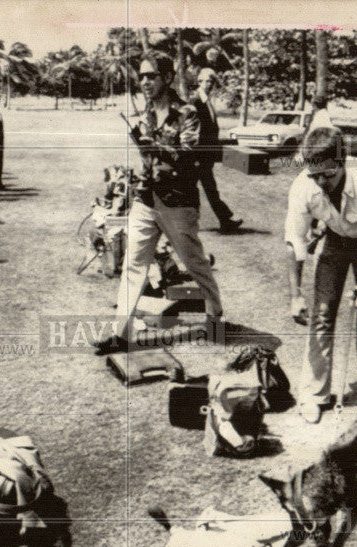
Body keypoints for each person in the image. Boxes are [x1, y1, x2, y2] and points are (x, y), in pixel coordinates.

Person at [93, 53, 221, 356]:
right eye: (142, 76)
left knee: (194, 264)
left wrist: (154, 146)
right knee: (133, 265)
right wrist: (143, 155)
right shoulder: (148, 112)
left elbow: (189, 154)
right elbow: (150, 158)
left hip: (178, 202)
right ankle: (119, 334)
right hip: (147, 198)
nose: (145, 82)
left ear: (167, 78)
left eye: (151, 76)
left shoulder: (187, 112)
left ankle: (215, 317)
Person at [287, 126, 357, 423]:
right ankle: (314, 392)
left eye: (329, 175)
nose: (321, 183)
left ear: (343, 161)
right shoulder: (303, 186)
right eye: (315, 175)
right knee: (321, 314)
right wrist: (295, 295)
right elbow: (296, 242)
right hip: (334, 242)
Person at [189, 68, 241, 233]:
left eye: (211, 81)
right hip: (198, 155)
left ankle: (225, 221)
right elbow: (194, 130)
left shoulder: (206, 100)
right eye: (206, 81)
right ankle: (221, 221)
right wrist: (195, 154)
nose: (209, 84)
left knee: (208, 189)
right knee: (194, 189)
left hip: (206, 155)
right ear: (199, 81)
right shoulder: (195, 100)